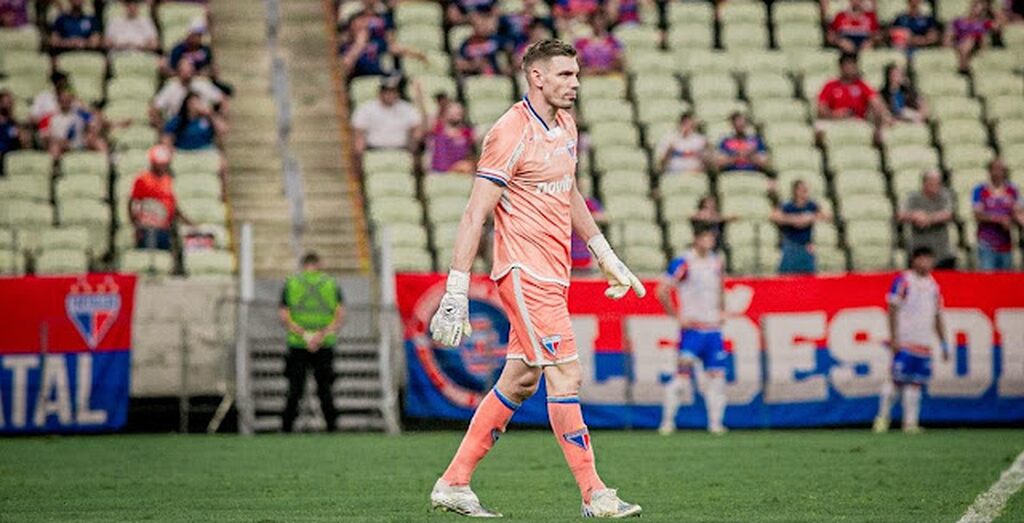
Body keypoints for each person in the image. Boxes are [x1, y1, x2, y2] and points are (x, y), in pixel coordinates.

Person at [428, 39, 644, 518]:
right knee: (566, 372)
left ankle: (454, 482)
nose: (575, 83)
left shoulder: (565, 124)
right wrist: (456, 289)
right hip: (524, 273)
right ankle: (595, 494)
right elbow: (474, 213)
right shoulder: (510, 131)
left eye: (576, 74)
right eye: (565, 75)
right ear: (537, 77)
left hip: (554, 271)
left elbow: (567, 191)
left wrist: (604, 253)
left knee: (522, 379)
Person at [656, 228, 728, 436]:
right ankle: (668, 423)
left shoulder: (716, 261)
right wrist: (677, 317)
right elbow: (662, 290)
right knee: (681, 378)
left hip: (713, 330)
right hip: (693, 331)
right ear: (696, 238)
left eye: (712, 237)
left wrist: (722, 310)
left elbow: (720, 288)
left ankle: (716, 424)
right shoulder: (684, 262)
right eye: (705, 236)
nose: (710, 241)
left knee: (716, 379)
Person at [873, 246, 949, 434]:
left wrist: (943, 342)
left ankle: (910, 423)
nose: (926, 263)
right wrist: (894, 337)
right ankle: (882, 418)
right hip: (905, 340)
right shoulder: (904, 280)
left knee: (915, 384)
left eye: (929, 259)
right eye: (922, 259)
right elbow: (892, 307)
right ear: (914, 260)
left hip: (923, 342)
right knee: (896, 381)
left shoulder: (933, 286)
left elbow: (937, 315)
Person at [278, 251, 346, 433]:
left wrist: (305, 335)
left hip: (298, 343)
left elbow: (284, 315)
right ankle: (332, 428)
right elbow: (340, 315)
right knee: (325, 389)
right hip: (324, 343)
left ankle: (286, 429)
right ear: (319, 264)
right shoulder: (331, 283)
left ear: (303, 264)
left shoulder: (291, 282)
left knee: (294, 389)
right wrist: (320, 335)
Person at [129, 145, 191, 250]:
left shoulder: (168, 179)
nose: (163, 166)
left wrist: (187, 221)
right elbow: (132, 203)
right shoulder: (143, 179)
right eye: (160, 164)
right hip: (148, 229)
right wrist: (136, 225)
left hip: (166, 228)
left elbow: (173, 205)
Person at [817, 53, 893, 129]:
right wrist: (834, 115)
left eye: (853, 64)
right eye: (848, 64)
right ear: (841, 67)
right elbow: (821, 108)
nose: (851, 67)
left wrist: (885, 116)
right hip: (834, 122)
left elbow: (876, 102)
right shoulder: (830, 85)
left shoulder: (861, 85)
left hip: (857, 123)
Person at [351, 75, 423, 155]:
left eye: (393, 92)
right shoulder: (365, 108)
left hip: (401, 150)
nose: (389, 95)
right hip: (374, 150)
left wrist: (414, 143)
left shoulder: (408, 108)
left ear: (397, 93)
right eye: (386, 92)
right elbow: (358, 131)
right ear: (380, 93)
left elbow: (417, 128)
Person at [972, 158, 1023, 270]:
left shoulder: (1012, 190)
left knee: (1005, 282)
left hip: (1006, 244)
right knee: (988, 281)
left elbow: (1018, 212)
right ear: (989, 171)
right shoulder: (980, 190)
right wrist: (998, 219)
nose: (998, 173)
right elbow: (977, 214)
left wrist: (1014, 218)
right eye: (995, 169)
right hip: (987, 244)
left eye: (1001, 170)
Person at [771, 179, 831, 274]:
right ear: (796, 191)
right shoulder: (788, 205)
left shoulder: (811, 205)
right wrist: (794, 220)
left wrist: (811, 217)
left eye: (806, 190)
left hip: (806, 245)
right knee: (787, 275)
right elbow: (775, 216)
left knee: (809, 275)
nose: (805, 192)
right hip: (791, 245)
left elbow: (827, 216)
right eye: (802, 190)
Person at [898, 170, 955, 269]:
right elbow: (901, 215)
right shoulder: (912, 197)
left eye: (938, 183)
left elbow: (948, 214)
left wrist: (928, 218)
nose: (935, 186)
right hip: (918, 250)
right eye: (931, 183)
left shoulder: (945, 195)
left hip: (941, 251)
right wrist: (914, 215)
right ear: (924, 183)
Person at [151, 60, 227, 123]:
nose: (187, 74)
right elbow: (155, 108)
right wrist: (161, 127)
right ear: (178, 72)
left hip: (202, 126)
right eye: (184, 71)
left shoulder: (203, 84)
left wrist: (219, 117)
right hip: (178, 127)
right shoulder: (171, 87)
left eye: (190, 71)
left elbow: (222, 99)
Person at [39, 88, 106, 158]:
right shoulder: (48, 117)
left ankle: (107, 164)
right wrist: (58, 141)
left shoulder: (80, 113)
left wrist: (92, 133)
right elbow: (44, 137)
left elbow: (95, 121)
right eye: (63, 99)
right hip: (60, 144)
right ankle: (55, 166)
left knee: (99, 142)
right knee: (55, 147)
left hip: (79, 143)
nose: (65, 101)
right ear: (58, 101)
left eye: (68, 99)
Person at [946, 0, 1004, 73]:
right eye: (976, 6)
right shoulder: (958, 21)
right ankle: (963, 64)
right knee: (966, 41)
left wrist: (993, 10)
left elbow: (998, 27)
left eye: (984, 10)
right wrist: (954, 45)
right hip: (959, 44)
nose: (979, 11)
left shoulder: (984, 23)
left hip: (977, 44)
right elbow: (948, 39)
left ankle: (963, 65)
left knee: (971, 39)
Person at [161, 92, 227, 151]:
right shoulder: (177, 121)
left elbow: (222, 130)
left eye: (198, 102)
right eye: (193, 103)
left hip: (205, 152)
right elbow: (166, 139)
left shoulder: (207, 120)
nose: (196, 105)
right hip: (183, 152)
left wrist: (210, 114)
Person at [426, 102, 476, 174]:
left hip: (459, 173)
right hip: (438, 173)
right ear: (445, 113)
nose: (456, 114)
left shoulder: (467, 133)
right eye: (452, 112)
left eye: (458, 112)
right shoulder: (437, 128)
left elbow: (471, 155)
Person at [655, 111, 708, 176]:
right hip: (673, 174)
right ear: (680, 123)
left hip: (695, 174)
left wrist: (701, 168)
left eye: (692, 125)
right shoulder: (668, 138)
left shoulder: (701, 140)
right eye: (686, 123)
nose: (689, 127)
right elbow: (660, 165)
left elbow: (708, 163)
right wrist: (669, 151)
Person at [456, 11, 508, 77]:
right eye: (478, 25)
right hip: (475, 78)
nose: (482, 27)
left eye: (483, 24)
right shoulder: (467, 43)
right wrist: (473, 65)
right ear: (473, 27)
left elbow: (509, 50)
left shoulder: (496, 39)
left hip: (496, 75)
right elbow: (459, 64)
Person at [573, 10, 624, 76]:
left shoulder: (613, 42)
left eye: (601, 21)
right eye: (595, 21)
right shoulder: (581, 42)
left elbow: (619, 63)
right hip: (588, 76)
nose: (599, 23)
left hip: (608, 76)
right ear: (590, 23)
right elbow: (577, 63)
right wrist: (588, 70)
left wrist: (605, 70)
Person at [0, 89, 29, 176]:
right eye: (7, 102)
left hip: (9, 153)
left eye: (10, 102)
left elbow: (23, 140)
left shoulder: (12, 123)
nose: (9, 105)